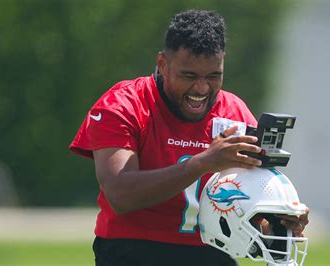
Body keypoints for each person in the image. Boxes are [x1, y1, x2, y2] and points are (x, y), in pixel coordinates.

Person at [70, 9, 309, 266]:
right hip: (132, 252)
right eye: (189, 76)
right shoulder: (122, 104)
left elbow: (245, 206)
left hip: (209, 253)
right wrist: (203, 162)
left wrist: (279, 220)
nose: (202, 88)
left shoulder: (234, 112)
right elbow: (121, 194)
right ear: (163, 64)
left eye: (213, 76)